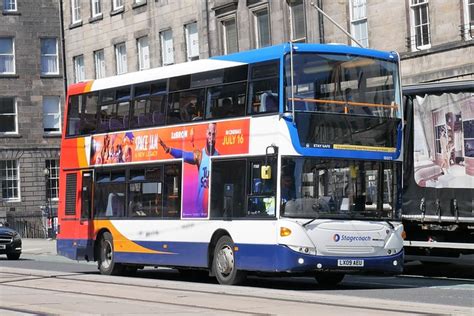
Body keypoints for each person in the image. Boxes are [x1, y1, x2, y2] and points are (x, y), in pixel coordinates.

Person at [159, 123, 218, 214]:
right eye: (209, 133)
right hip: (200, 209)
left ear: (216, 135)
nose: (211, 137)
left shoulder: (219, 157)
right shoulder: (200, 155)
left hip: (214, 208)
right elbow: (184, 155)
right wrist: (169, 149)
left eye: (213, 134)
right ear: (206, 134)